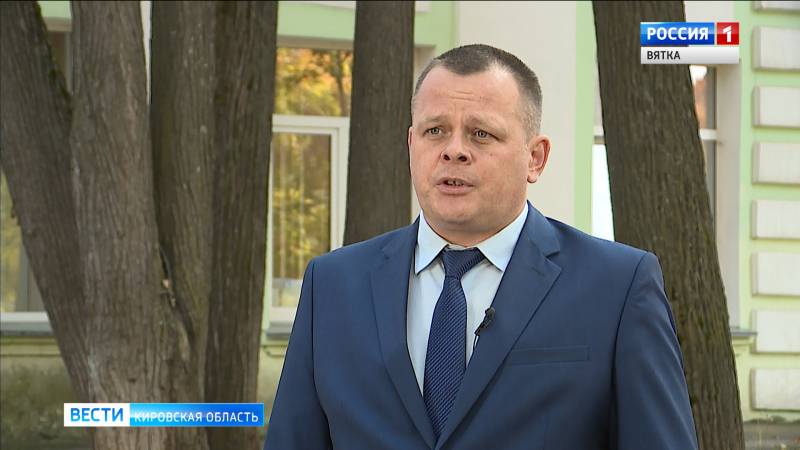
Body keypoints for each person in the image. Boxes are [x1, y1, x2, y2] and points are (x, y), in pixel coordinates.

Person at [264, 44, 698, 450]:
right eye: (435, 131)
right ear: (412, 145)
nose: (454, 151)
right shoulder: (333, 285)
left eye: (481, 134)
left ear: (535, 158)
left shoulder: (617, 288)